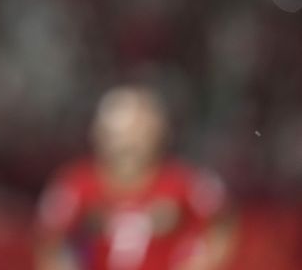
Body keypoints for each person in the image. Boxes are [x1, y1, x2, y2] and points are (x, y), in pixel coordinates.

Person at [35, 85, 234, 270]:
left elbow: (221, 223)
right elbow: (48, 240)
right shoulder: (74, 185)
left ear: (157, 133)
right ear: (99, 133)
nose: (128, 144)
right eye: (119, 134)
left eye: (138, 133)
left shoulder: (185, 181)